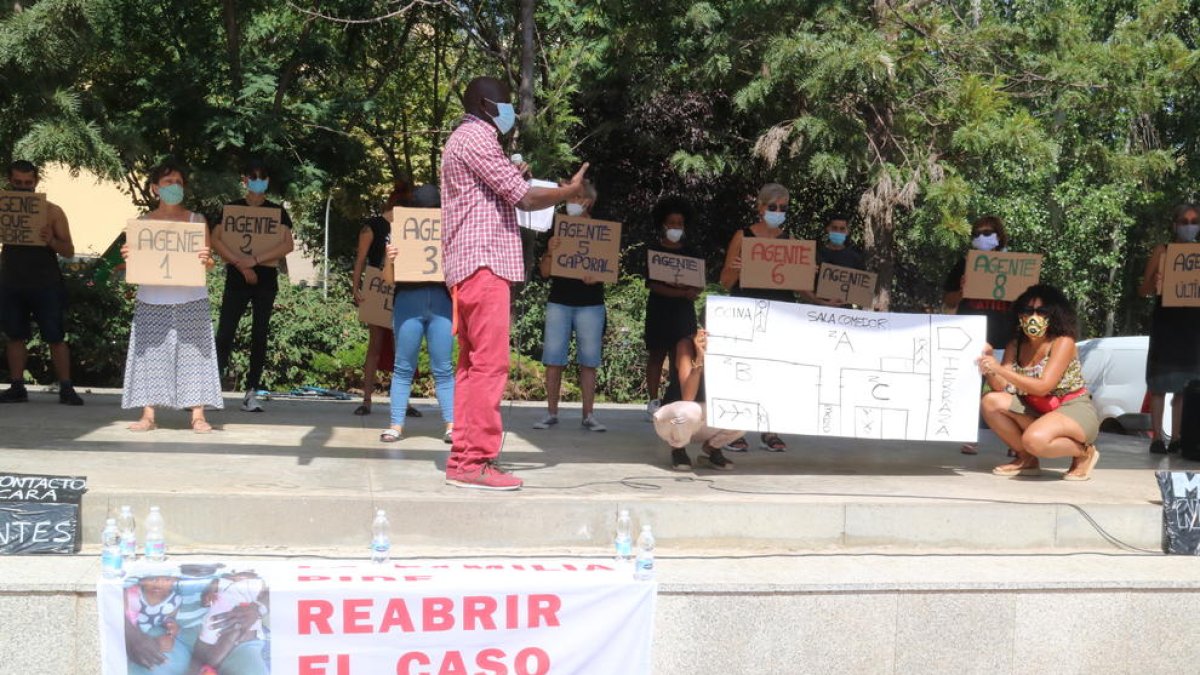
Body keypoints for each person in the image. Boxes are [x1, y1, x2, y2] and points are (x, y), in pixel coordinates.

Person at [440, 75, 589, 490]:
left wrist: (514, 174)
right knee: (489, 365)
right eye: (506, 103)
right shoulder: (480, 138)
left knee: (470, 367)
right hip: (485, 265)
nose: (511, 111)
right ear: (488, 105)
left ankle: (462, 459)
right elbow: (522, 198)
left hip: (466, 267)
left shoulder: (460, 140)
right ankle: (478, 460)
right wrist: (568, 193)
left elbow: (501, 189)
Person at [121, 160, 221, 432]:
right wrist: (130, 257)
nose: (173, 187)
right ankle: (148, 416)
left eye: (178, 182)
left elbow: (209, 262)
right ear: (155, 188)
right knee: (149, 357)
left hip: (191, 299)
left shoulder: (196, 221)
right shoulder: (142, 224)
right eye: (167, 182)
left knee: (195, 356)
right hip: (151, 299)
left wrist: (206, 260)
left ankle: (198, 415)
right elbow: (134, 264)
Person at [977, 284, 1101, 480]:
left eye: (1042, 311)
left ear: (1055, 314)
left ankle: (1084, 453)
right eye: (1028, 310)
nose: (1034, 316)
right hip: (1036, 409)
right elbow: (1001, 386)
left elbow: (1044, 387)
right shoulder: (1015, 344)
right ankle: (1026, 459)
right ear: (1019, 314)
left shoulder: (1063, 342)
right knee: (991, 401)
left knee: (1034, 440)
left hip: (1070, 407)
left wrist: (999, 369)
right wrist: (989, 363)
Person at [210, 158, 295, 413]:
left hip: (266, 280)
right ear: (244, 180)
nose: (258, 181)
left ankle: (251, 392)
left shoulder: (278, 212)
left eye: (263, 177)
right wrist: (241, 264)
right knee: (225, 333)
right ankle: (211, 392)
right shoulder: (229, 209)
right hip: (236, 277)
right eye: (253, 176)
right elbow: (216, 239)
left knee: (259, 335)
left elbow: (287, 245)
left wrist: (255, 260)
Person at [0, 160, 84, 405]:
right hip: (11, 281)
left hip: (46, 283)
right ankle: (17, 386)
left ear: (36, 182)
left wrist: (50, 240)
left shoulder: (52, 211)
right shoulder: (4, 209)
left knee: (56, 336)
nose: (24, 187)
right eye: (18, 183)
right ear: (10, 182)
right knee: (15, 335)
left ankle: (66, 387)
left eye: (28, 183)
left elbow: (68, 250)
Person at [717, 183, 793, 451]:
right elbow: (725, 282)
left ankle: (770, 430)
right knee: (742, 373)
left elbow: (799, 284)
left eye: (783, 208)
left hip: (778, 315)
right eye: (772, 207)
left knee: (772, 372)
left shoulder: (790, 241)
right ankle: (733, 431)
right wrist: (738, 269)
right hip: (746, 314)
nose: (777, 212)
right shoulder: (743, 235)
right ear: (761, 207)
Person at [379, 185, 454, 445]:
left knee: (442, 368)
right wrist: (390, 259)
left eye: (433, 210)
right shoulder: (399, 232)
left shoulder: (450, 233)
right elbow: (388, 279)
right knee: (404, 368)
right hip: (410, 302)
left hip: (439, 304)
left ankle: (451, 425)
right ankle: (396, 425)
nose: (429, 214)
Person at [532, 180, 608, 432]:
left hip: (591, 304)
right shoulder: (558, 230)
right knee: (553, 360)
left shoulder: (602, 231)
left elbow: (609, 270)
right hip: (559, 302)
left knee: (589, 361)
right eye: (569, 199)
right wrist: (550, 252)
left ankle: (589, 415)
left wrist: (598, 276)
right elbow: (544, 272)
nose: (571, 203)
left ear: (588, 201)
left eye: (575, 198)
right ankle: (551, 413)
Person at [944, 215, 1015, 456]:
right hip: (972, 337)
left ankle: (1014, 441)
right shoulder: (963, 264)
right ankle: (968, 436)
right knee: (970, 387)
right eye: (977, 234)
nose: (982, 238)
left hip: (1005, 338)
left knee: (1007, 389)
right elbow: (948, 300)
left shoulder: (1015, 267)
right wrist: (963, 291)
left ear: (999, 236)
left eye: (987, 233)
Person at [350, 181, 420, 421]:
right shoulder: (373, 227)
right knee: (376, 344)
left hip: (404, 288)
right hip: (378, 289)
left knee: (404, 346)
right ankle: (367, 399)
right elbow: (360, 259)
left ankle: (404, 401)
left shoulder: (410, 226)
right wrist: (356, 286)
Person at [1139, 203, 1200, 454]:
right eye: (1184, 221)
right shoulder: (1162, 251)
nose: (1189, 226)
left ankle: (1177, 437)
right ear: (1174, 225)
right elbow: (1142, 290)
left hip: (1194, 327)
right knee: (1159, 383)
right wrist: (1156, 282)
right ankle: (1157, 438)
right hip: (1167, 324)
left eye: (1194, 220)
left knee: (1186, 386)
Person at [644, 196, 702, 423]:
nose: (676, 227)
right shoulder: (654, 250)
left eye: (680, 223)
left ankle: (677, 398)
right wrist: (679, 291)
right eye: (672, 223)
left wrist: (691, 292)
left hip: (683, 311)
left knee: (682, 355)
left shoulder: (692, 252)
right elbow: (652, 283)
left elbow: (699, 283)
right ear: (662, 224)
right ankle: (653, 401)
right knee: (656, 354)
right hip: (659, 309)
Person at [652, 328, 740, 471]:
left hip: (703, 419)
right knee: (688, 411)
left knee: (746, 411)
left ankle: (713, 447)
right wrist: (699, 358)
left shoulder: (733, 347)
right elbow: (688, 398)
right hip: (673, 420)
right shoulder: (686, 345)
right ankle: (677, 448)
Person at [799, 214, 867, 307]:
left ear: (847, 232)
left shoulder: (855, 258)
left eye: (842, 229)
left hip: (844, 314)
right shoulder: (815, 254)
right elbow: (801, 288)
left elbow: (863, 290)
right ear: (828, 229)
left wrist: (848, 300)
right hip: (816, 312)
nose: (838, 232)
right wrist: (822, 302)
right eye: (834, 228)